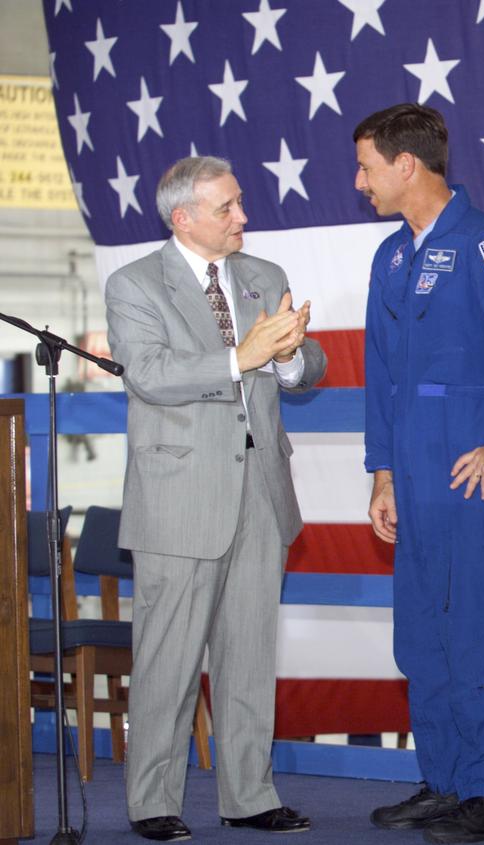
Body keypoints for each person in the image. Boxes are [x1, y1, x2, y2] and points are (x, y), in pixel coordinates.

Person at [356, 103, 484, 844]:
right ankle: (444, 780)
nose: (361, 182)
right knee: (422, 634)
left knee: (476, 629)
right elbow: (381, 376)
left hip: (471, 477)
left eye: (367, 168)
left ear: (406, 164)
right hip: (412, 477)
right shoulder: (391, 257)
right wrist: (382, 474)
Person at [104, 156, 326, 841]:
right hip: (179, 497)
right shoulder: (135, 284)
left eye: (238, 203)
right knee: (168, 660)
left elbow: (307, 367)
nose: (242, 217)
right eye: (226, 207)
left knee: (250, 654)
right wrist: (241, 357)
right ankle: (153, 802)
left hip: (261, 489)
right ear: (183, 218)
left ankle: (250, 795)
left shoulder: (265, 275)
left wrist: (288, 357)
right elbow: (149, 374)